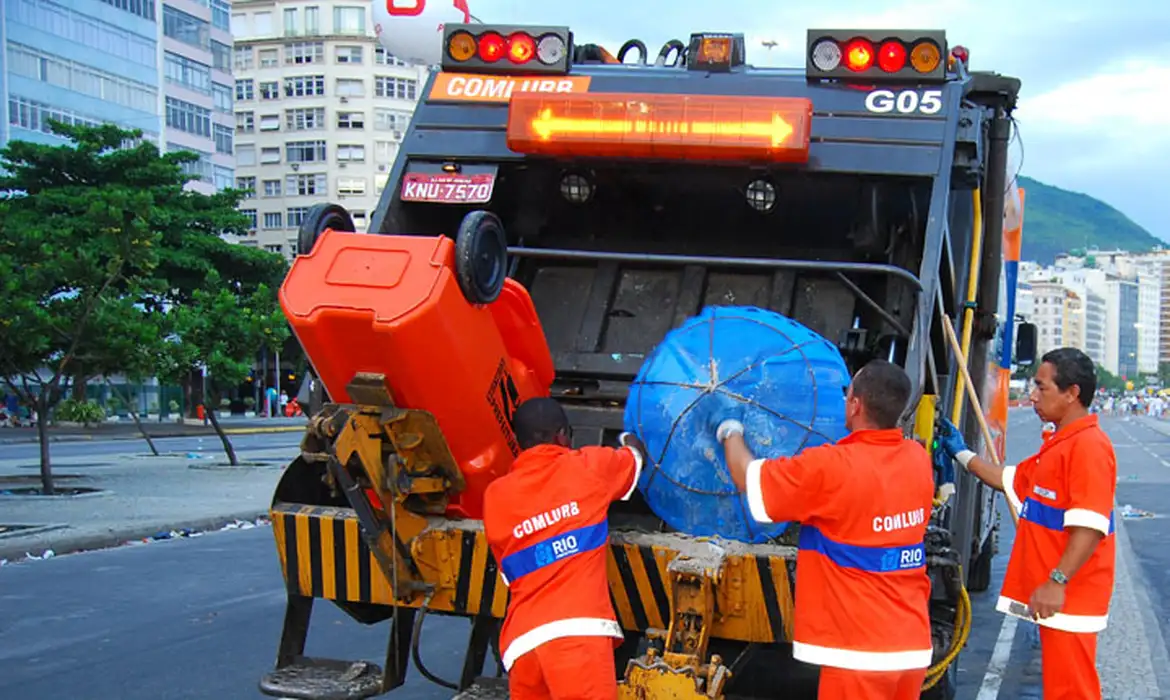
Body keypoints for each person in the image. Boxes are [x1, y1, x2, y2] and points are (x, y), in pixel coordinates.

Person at [714, 359, 935, 700]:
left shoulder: (832, 468)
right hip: (909, 645)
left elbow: (747, 477)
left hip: (858, 654)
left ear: (856, 405)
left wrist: (729, 428)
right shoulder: (917, 459)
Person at [936, 347, 1115, 700]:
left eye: (1041, 387)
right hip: (1056, 599)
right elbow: (1008, 479)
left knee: (1072, 692)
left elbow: (1090, 527)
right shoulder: (1059, 444)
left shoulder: (1089, 448)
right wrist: (961, 453)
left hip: (1070, 600)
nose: (1032, 396)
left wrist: (1056, 582)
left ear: (1072, 393)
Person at [482, 397, 647, 700]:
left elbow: (512, 574)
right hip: (577, 638)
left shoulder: (495, 497)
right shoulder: (588, 467)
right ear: (561, 435)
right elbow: (635, 458)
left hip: (523, 645)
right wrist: (628, 437)